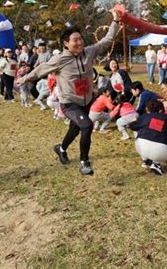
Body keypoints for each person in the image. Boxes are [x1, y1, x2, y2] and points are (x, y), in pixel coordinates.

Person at [17, 11, 120, 176]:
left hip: (86, 101)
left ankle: (61, 148)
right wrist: (24, 78)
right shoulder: (60, 60)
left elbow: (107, 41)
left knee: (75, 129)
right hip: (69, 102)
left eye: (80, 39)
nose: (79, 43)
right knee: (86, 125)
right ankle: (84, 161)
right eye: (75, 40)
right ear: (66, 43)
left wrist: (115, 21)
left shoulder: (89, 52)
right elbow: (41, 69)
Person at [130, 99, 167, 175]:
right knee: (166, 138)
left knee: (137, 130)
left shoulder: (144, 116)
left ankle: (146, 160)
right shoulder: (165, 117)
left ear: (146, 108)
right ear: (160, 108)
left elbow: (132, 126)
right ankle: (156, 163)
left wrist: (134, 121)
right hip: (161, 150)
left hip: (141, 148)